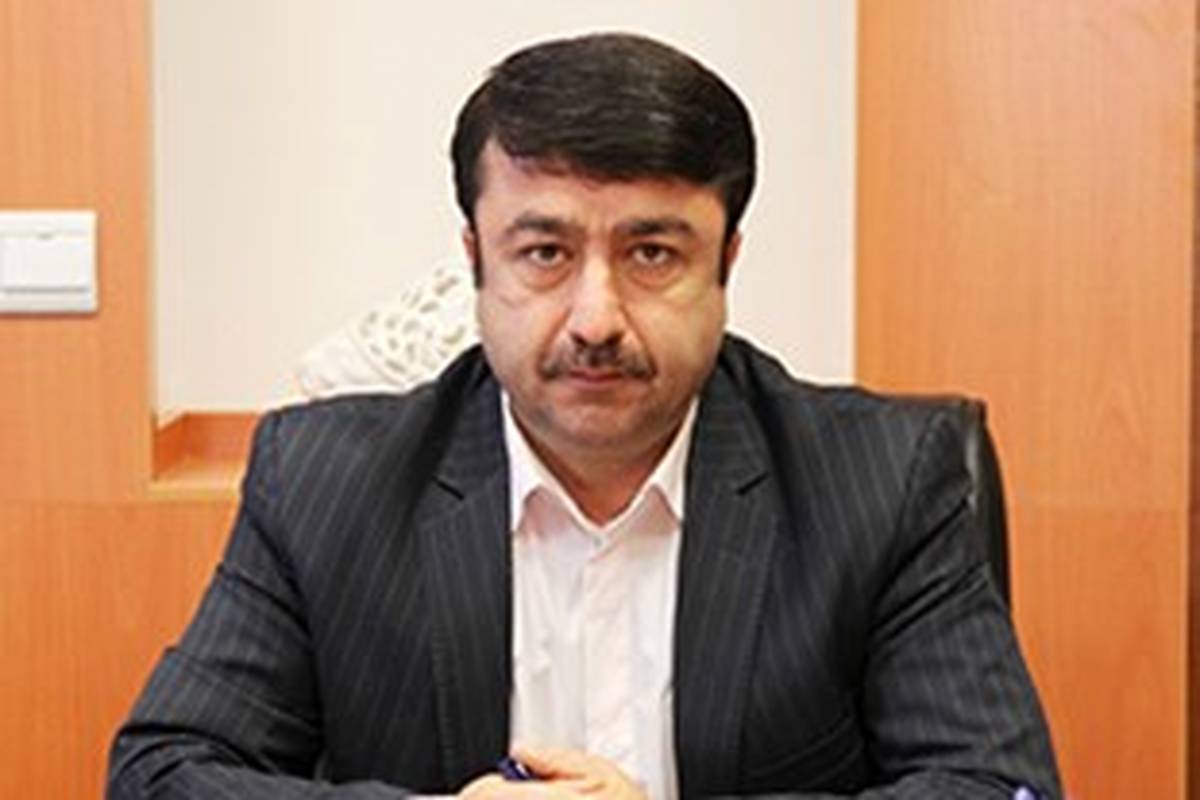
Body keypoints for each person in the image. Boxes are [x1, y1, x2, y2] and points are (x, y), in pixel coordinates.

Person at [108, 32, 1061, 799]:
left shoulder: (884, 481)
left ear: (726, 263)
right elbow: (162, 773)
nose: (596, 319)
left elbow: (997, 786)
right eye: (545, 253)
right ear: (476, 259)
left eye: (652, 254)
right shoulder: (326, 481)